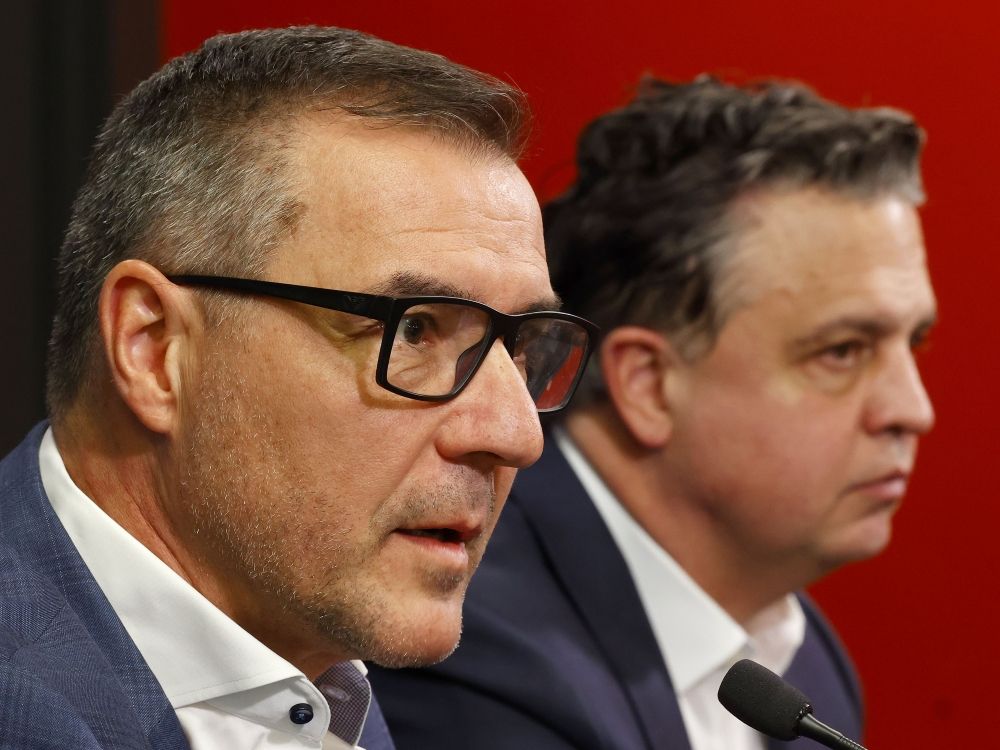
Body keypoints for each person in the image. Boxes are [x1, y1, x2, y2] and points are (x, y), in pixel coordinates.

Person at [0, 26, 598, 750]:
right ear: (153, 348)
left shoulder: (315, 674)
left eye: (522, 346)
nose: (515, 434)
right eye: (413, 332)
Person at [369, 76, 937, 749]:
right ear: (649, 385)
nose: (914, 410)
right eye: (842, 351)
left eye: (914, 342)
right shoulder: (473, 648)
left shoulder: (800, 649)